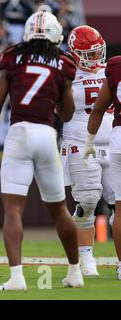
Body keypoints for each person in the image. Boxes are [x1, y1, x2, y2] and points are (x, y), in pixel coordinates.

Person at [0, 9, 83, 291]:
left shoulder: (13, 56)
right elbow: (69, 113)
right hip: (47, 135)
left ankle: (17, 277)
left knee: (13, 209)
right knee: (60, 209)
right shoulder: (63, 62)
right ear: (55, 35)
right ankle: (75, 272)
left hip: (19, 133)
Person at [61, 25, 114, 277]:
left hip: (113, 143)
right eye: (89, 54)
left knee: (119, 203)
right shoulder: (67, 74)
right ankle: (86, 257)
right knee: (88, 200)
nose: (95, 58)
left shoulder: (110, 71)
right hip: (81, 143)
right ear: (75, 52)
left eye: (97, 52)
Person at [84, 53, 121, 281]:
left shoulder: (116, 66)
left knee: (120, 206)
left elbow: (98, 109)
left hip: (119, 139)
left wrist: (88, 142)